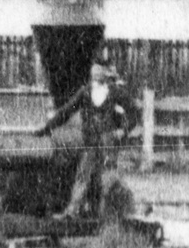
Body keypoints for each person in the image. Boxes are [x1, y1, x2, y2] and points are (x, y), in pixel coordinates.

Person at [34, 61, 139, 220]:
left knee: (107, 177)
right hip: (91, 141)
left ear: (105, 74)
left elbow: (134, 112)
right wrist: (46, 128)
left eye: (99, 71)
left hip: (107, 141)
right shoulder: (85, 93)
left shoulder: (115, 92)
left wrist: (123, 130)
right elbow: (66, 112)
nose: (96, 74)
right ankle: (72, 212)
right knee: (83, 175)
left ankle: (110, 213)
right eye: (94, 71)